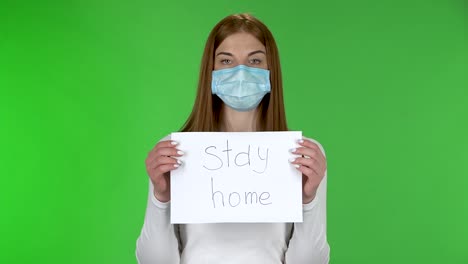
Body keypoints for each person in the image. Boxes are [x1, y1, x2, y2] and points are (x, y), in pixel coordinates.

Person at [136, 13, 330, 263]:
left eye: (255, 60)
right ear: (211, 71)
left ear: (271, 72)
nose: (241, 73)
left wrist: (308, 201)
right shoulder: (176, 151)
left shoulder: (303, 154)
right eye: (227, 60)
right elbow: (153, 262)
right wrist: (160, 198)